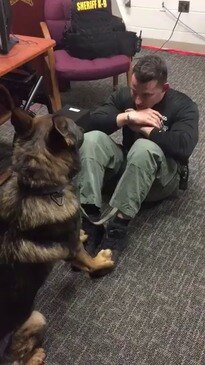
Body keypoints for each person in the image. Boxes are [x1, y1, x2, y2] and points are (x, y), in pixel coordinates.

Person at [78, 54, 199, 264]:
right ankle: (89, 219)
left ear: (165, 88)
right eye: (134, 91)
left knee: (144, 147)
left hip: (160, 182)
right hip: (128, 168)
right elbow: (89, 122)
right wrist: (127, 117)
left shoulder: (184, 106)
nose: (138, 100)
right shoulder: (127, 96)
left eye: (146, 95)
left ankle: (118, 228)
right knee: (91, 139)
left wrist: (146, 129)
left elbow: (184, 147)